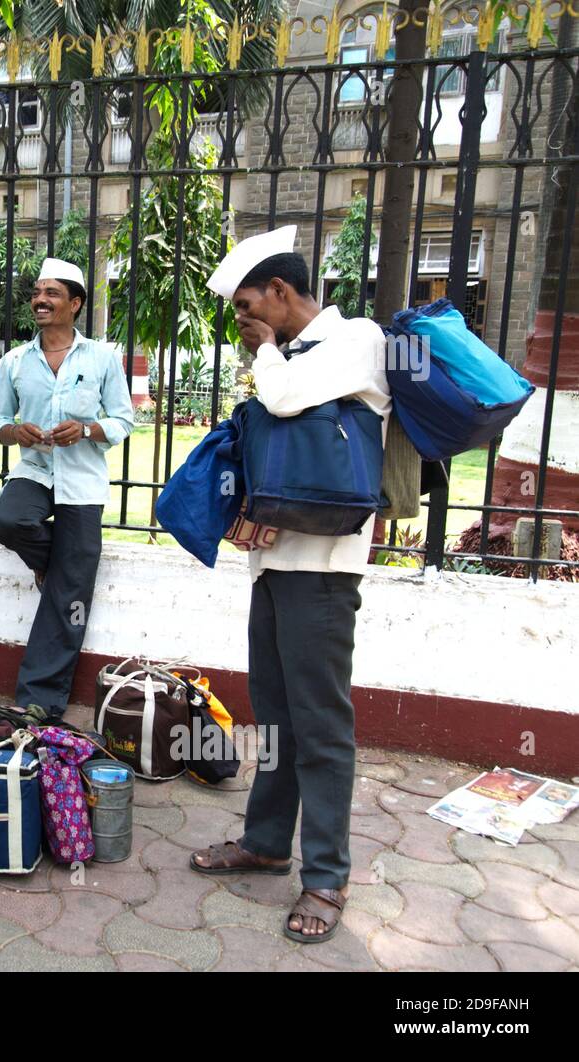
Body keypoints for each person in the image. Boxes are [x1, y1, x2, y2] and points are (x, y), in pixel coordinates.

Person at [187, 226, 391, 945]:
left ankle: (328, 876)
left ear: (281, 291)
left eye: (250, 306)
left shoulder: (356, 339)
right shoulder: (292, 352)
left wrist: (265, 349)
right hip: (275, 565)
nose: (245, 323)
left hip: (325, 573)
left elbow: (283, 400)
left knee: (321, 726)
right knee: (273, 716)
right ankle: (268, 840)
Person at [0, 258, 135, 718]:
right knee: (7, 520)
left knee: (69, 600)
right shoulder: (15, 362)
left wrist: (88, 431)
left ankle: (39, 701)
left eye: (51, 293)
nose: (40, 300)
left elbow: (124, 420)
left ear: (75, 303)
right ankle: (62, 566)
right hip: (35, 470)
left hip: (82, 480)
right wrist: (16, 432)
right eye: (37, 292)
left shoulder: (103, 359)